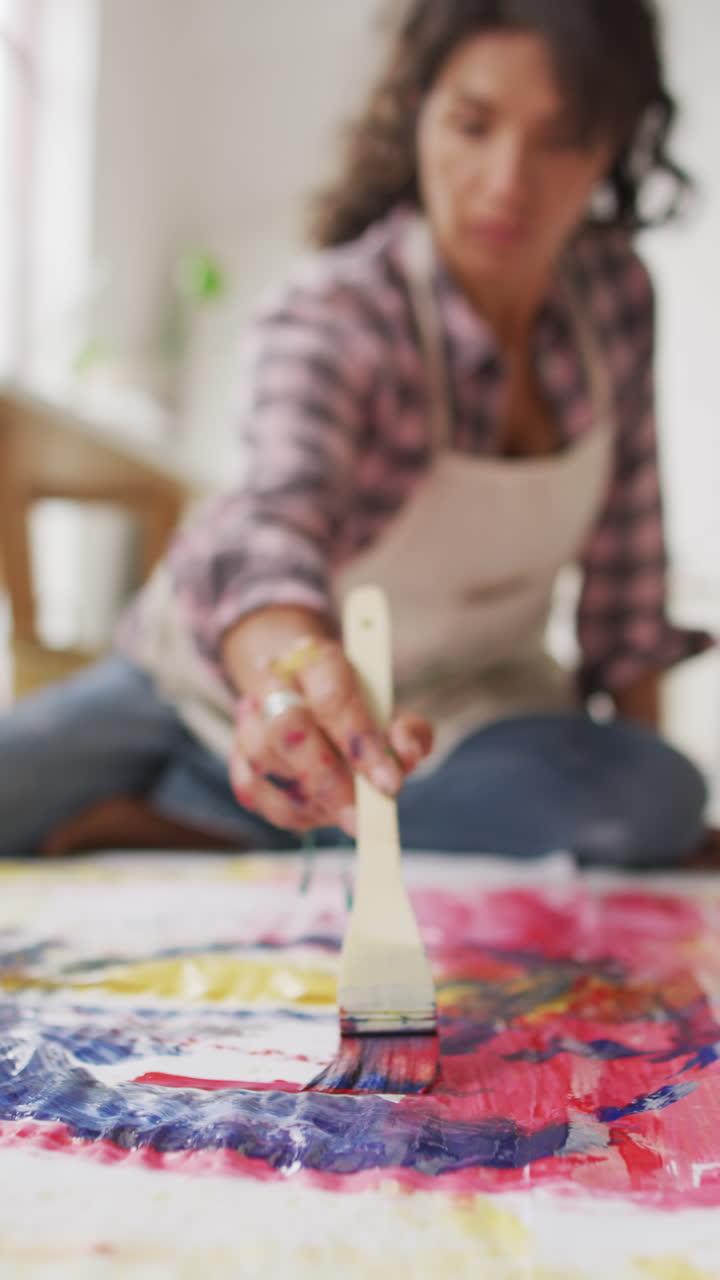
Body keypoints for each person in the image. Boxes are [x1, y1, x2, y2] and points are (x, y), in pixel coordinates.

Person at [0, 0, 714, 864]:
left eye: (560, 140)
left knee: (654, 797)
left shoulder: (616, 301)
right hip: (222, 696)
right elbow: (272, 527)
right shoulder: (336, 315)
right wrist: (291, 699)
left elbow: (626, 600)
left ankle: (205, 823)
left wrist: (654, 845)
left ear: (613, 144)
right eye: (473, 125)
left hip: (464, 721)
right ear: (419, 110)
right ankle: (249, 798)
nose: (506, 182)